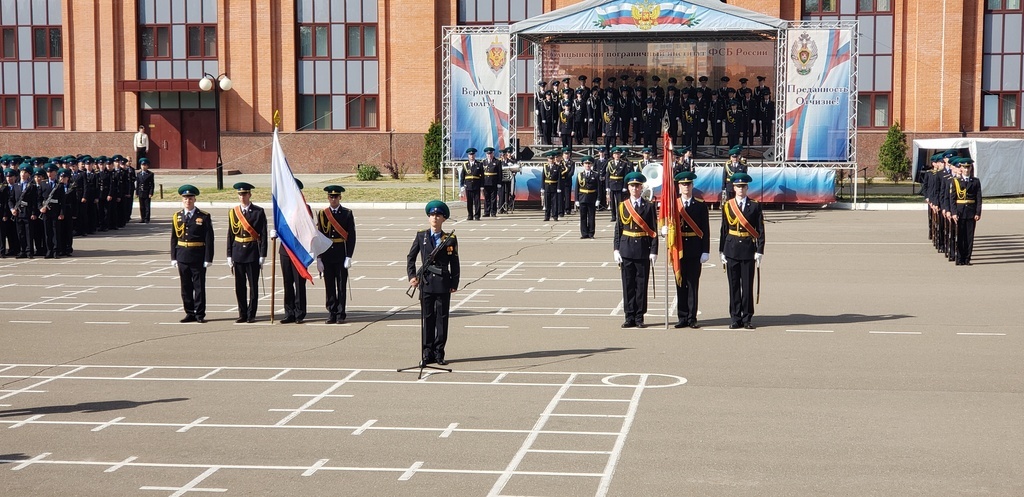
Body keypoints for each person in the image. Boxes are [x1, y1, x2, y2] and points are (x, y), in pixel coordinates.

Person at [407, 200, 460, 366]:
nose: (434, 218)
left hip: (443, 283)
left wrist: (454, 282)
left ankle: (439, 353)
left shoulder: (450, 239)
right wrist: (412, 276)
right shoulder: (421, 236)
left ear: (443, 219)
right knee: (427, 319)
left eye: (438, 215)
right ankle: (426, 353)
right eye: (432, 215)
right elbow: (411, 257)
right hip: (427, 282)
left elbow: (455, 263)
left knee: (441, 320)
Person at [719, 173, 765, 329]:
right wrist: (721, 251)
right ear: (734, 187)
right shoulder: (727, 205)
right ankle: (735, 317)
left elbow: (760, 230)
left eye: (743, 186)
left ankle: (747, 318)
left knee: (747, 285)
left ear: (747, 188)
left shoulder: (755, 205)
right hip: (731, 248)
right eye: (738, 186)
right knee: (733, 286)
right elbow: (724, 229)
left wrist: (759, 250)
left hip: (747, 249)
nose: (740, 189)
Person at [613, 171, 658, 328]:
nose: (634, 189)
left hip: (642, 249)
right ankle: (629, 315)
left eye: (637, 186)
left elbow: (653, 230)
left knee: (641, 284)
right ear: (628, 188)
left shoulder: (649, 206)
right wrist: (616, 249)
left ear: (641, 188)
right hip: (626, 248)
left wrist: (654, 251)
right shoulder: (622, 206)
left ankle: (639, 316)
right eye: (632, 186)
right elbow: (618, 228)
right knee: (628, 284)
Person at [671, 172, 710, 328]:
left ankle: (692, 317)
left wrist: (705, 250)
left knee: (693, 284)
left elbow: (705, 230)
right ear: (679, 187)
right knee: (680, 283)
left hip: (694, 248)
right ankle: (682, 316)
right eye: (683, 184)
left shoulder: (700, 205)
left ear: (692, 186)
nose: (686, 187)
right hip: (678, 248)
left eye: (688, 184)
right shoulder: (673, 204)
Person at [171, 184, 214, 323]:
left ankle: (200, 314)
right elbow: (174, 238)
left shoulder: (203, 216)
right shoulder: (177, 216)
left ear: (194, 199)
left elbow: (209, 239)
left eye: (190, 198)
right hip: (182, 255)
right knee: (185, 287)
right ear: (182, 200)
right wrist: (173, 257)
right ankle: (189, 312)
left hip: (197, 256)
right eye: (185, 198)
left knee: (199, 286)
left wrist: (208, 258)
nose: (187, 201)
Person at [226, 182, 268, 323]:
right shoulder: (233, 213)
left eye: (244, 194)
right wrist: (229, 255)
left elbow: (263, 234)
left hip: (252, 253)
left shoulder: (258, 212)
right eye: (240, 194)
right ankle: (242, 313)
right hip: (238, 252)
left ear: (250, 195)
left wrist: (262, 255)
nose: (242, 197)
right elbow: (230, 235)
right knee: (239, 286)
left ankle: (251, 314)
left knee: (253, 287)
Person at [316, 185, 357, 323]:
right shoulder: (322, 214)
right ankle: (331, 312)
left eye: (336, 197)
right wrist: (319, 258)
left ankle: (341, 313)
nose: (333, 199)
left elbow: (351, 236)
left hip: (340, 253)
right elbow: (319, 236)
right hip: (327, 254)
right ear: (328, 198)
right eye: (331, 197)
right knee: (329, 286)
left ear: (340, 197)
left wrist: (349, 256)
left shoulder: (347, 213)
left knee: (341, 286)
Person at [274, 178, 312, 324]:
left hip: (298, 251)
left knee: (299, 282)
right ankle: (289, 312)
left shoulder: (305, 208)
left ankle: (300, 312)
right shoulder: (282, 208)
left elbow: (307, 229)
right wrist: (275, 232)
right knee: (287, 282)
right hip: (285, 250)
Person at [952, 158, 982, 266]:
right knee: (960, 236)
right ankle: (960, 258)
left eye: (968, 167)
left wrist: (978, 213)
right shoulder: (956, 181)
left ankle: (967, 258)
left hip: (970, 212)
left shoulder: (976, 181)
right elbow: (953, 199)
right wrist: (954, 212)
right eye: (964, 167)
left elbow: (979, 198)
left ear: (971, 168)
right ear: (961, 168)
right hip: (960, 212)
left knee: (969, 237)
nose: (966, 170)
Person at [9, 164, 37, 258]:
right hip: (18, 213)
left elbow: (34, 201)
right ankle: (23, 250)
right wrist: (12, 209)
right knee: (20, 233)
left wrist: (33, 213)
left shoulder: (31, 186)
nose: (23, 174)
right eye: (21, 172)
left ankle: (29, 251)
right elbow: (11, 199)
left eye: (25, 172)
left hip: (28, 213)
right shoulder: (16, 185)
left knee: (29, 233)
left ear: (29, 174)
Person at [575, 156, 600, 239]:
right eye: (586, 163)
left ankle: (591, 233)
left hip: (592, 198)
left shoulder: (595, 175)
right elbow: (576, 188)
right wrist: (576, 200)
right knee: (583, 217)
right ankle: (584, 233)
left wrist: (598, 199)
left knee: (591, 217)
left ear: (591, 165)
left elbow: (599, 188)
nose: (587, 165)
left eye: (589, 164)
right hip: (582, 197)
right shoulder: (580, 175)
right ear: (583, 165)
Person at [459, 148, 483, 221]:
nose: (471, 156)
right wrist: (462, 185)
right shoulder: (465, 165)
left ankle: (477, 216)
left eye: (472, 154)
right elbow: (462, 176)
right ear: (468, 156)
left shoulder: (479, 164)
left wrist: (482, 186)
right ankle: (470, 215)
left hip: (476, 185)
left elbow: (482, 176)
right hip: (468, 186)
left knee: (477, 202)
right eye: (470, 155)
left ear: (475, 155)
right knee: (469, 202)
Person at [541, 151, 563, 222]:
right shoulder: (545, 167)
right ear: (548, 159)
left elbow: (559, 178)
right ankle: (547, 216)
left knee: (554, 202)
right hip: (547, 186)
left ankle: (555, 216)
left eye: (552, 159)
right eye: (550, 159)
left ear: (554, 159)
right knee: (547, 202)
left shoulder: (557, 167)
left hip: (554, 186)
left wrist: (559, 187)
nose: (551, 160)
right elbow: (543, 178)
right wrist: (542, 187)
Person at [481, 147, 502, 217]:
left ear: (493, 154)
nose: (489, 155)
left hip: (494, 182)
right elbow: (481, 174)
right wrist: (481, 184)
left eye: (490, 154)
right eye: (488, 154)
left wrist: (499, 183)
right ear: (486, 154)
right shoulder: (483, 162)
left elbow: (499, 173)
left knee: (493, 198)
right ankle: (487, 212)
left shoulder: (497, 162)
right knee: (486, 198)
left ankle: (493, 212)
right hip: (486, 183)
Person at [136, 158, 154, 223]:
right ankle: (142, 218)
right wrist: (137, 192)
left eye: (145, 165)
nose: (143, 167)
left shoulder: (150, 174)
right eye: (142, 165)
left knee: (147, 206)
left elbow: (152, 184)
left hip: (147, 192)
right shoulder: (138, 174)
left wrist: (151, 193)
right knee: (141, 206)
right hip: (141, 191)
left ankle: (147, 218)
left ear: (147, 166)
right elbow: (138, 184)